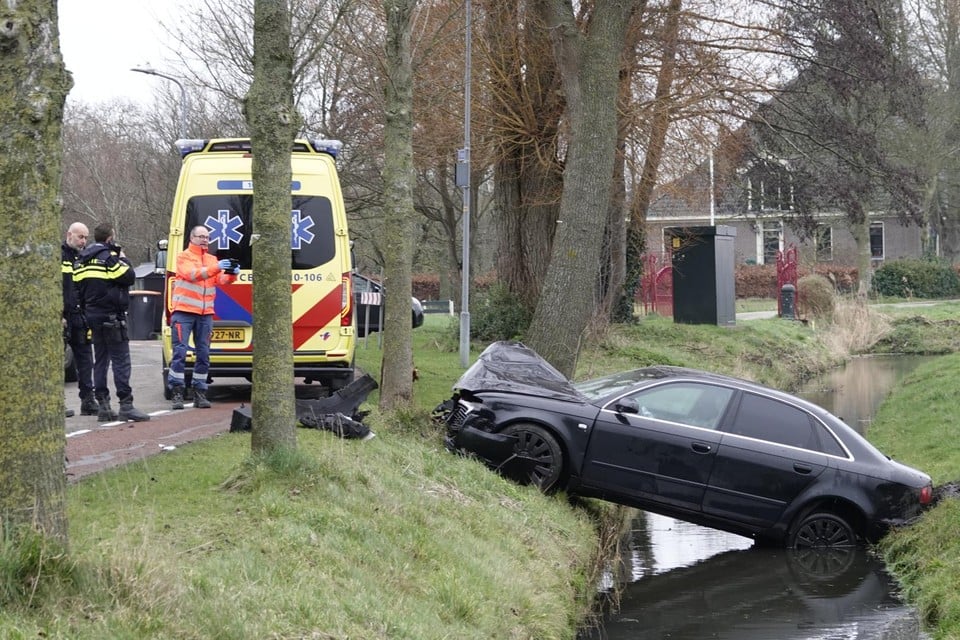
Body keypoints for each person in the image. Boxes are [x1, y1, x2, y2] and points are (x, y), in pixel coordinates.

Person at [74, 222, 150, 422]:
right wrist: (123, 257)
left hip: (91, 316)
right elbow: (129, 277)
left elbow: (78, 288)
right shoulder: (108, 259)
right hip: (112, 316)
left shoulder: (81, 260)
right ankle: (126, 405)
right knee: (121, 361)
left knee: (100, 360)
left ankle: (104, 406)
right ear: (110, 238)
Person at [167, 225, 238, 409]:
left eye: (207, 236)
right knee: (180, 352)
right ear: (192, 238)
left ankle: (200, 392)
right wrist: (217, 267)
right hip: (184, 311)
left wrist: (231, 274)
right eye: (201, 236)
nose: (204, 240)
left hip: (205, 314)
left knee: (204, 354)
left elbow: (220, 280)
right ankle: (177, 392)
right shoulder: (184, 257)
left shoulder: (211, 259)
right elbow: (192, 275)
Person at [62, 222, 97, 416]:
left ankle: (88, 400)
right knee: (59, 362)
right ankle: (58, 403)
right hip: (64, 316)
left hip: (81, 316)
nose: (83, 241)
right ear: (69, 235)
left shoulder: (85, 257)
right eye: (80, 237)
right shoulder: (60, 256)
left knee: (85, 360)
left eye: (85, 237)